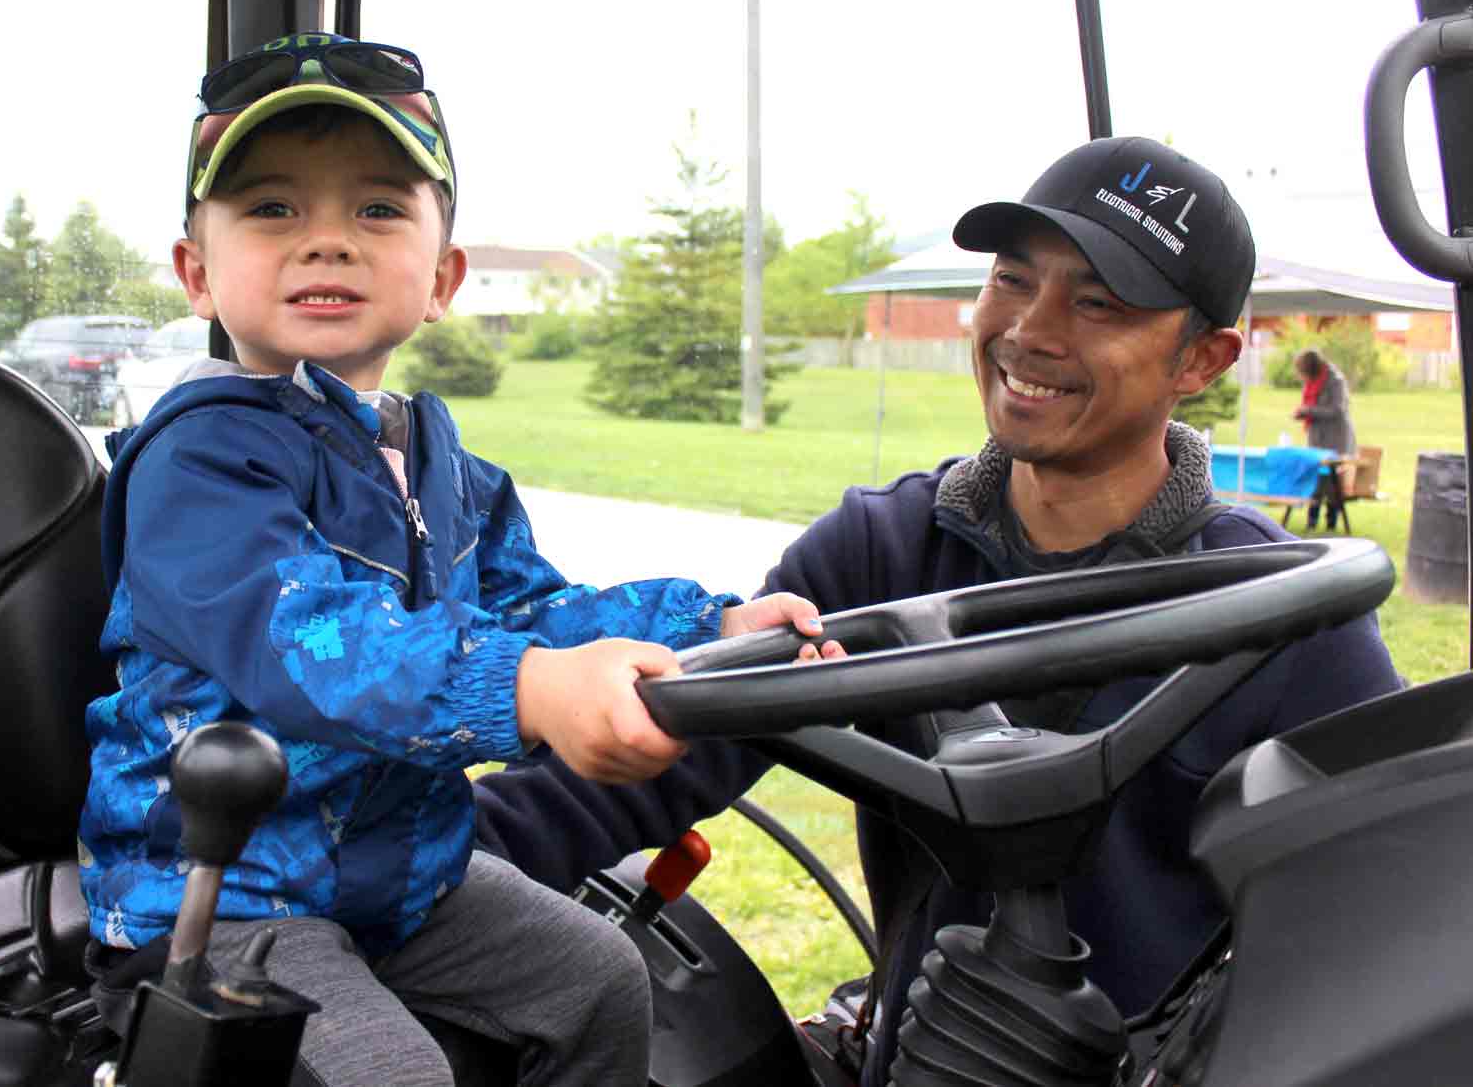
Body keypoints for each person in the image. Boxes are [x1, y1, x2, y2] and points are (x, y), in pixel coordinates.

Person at [473, 135, 1403, 1087]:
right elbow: (655, 760)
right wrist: (398, 869)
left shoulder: (1288, 614)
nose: (1031, 330)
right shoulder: (881, 550)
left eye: (1098, 303)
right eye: (1012, 279)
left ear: (1201, 360)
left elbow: (1394, 911)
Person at [77, 32, 838, 1087]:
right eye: (272, 209)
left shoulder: (440, 463)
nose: (327, 242)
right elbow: (310, 642)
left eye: (377, 209)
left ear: (441, 277)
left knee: (604, 981)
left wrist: (703, 627)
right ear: (196, 273)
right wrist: (524, 685)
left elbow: (537, 606)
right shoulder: (199, 460)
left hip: (405, 880)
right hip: (227, 894)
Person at [1294, 348, 1357, 531]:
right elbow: (1311, 405)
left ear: (1312, 369)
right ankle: (1311, 521)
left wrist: (1308, 411)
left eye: (1304, 372)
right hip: (1316, 434)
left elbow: (1338, 409)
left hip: (1335, 436)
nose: (1302, 377)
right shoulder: (1312, 383)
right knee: (1315, 476)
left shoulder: (1335, 380)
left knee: (1332, 480)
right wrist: (1303, 412)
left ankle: (1331, 522)